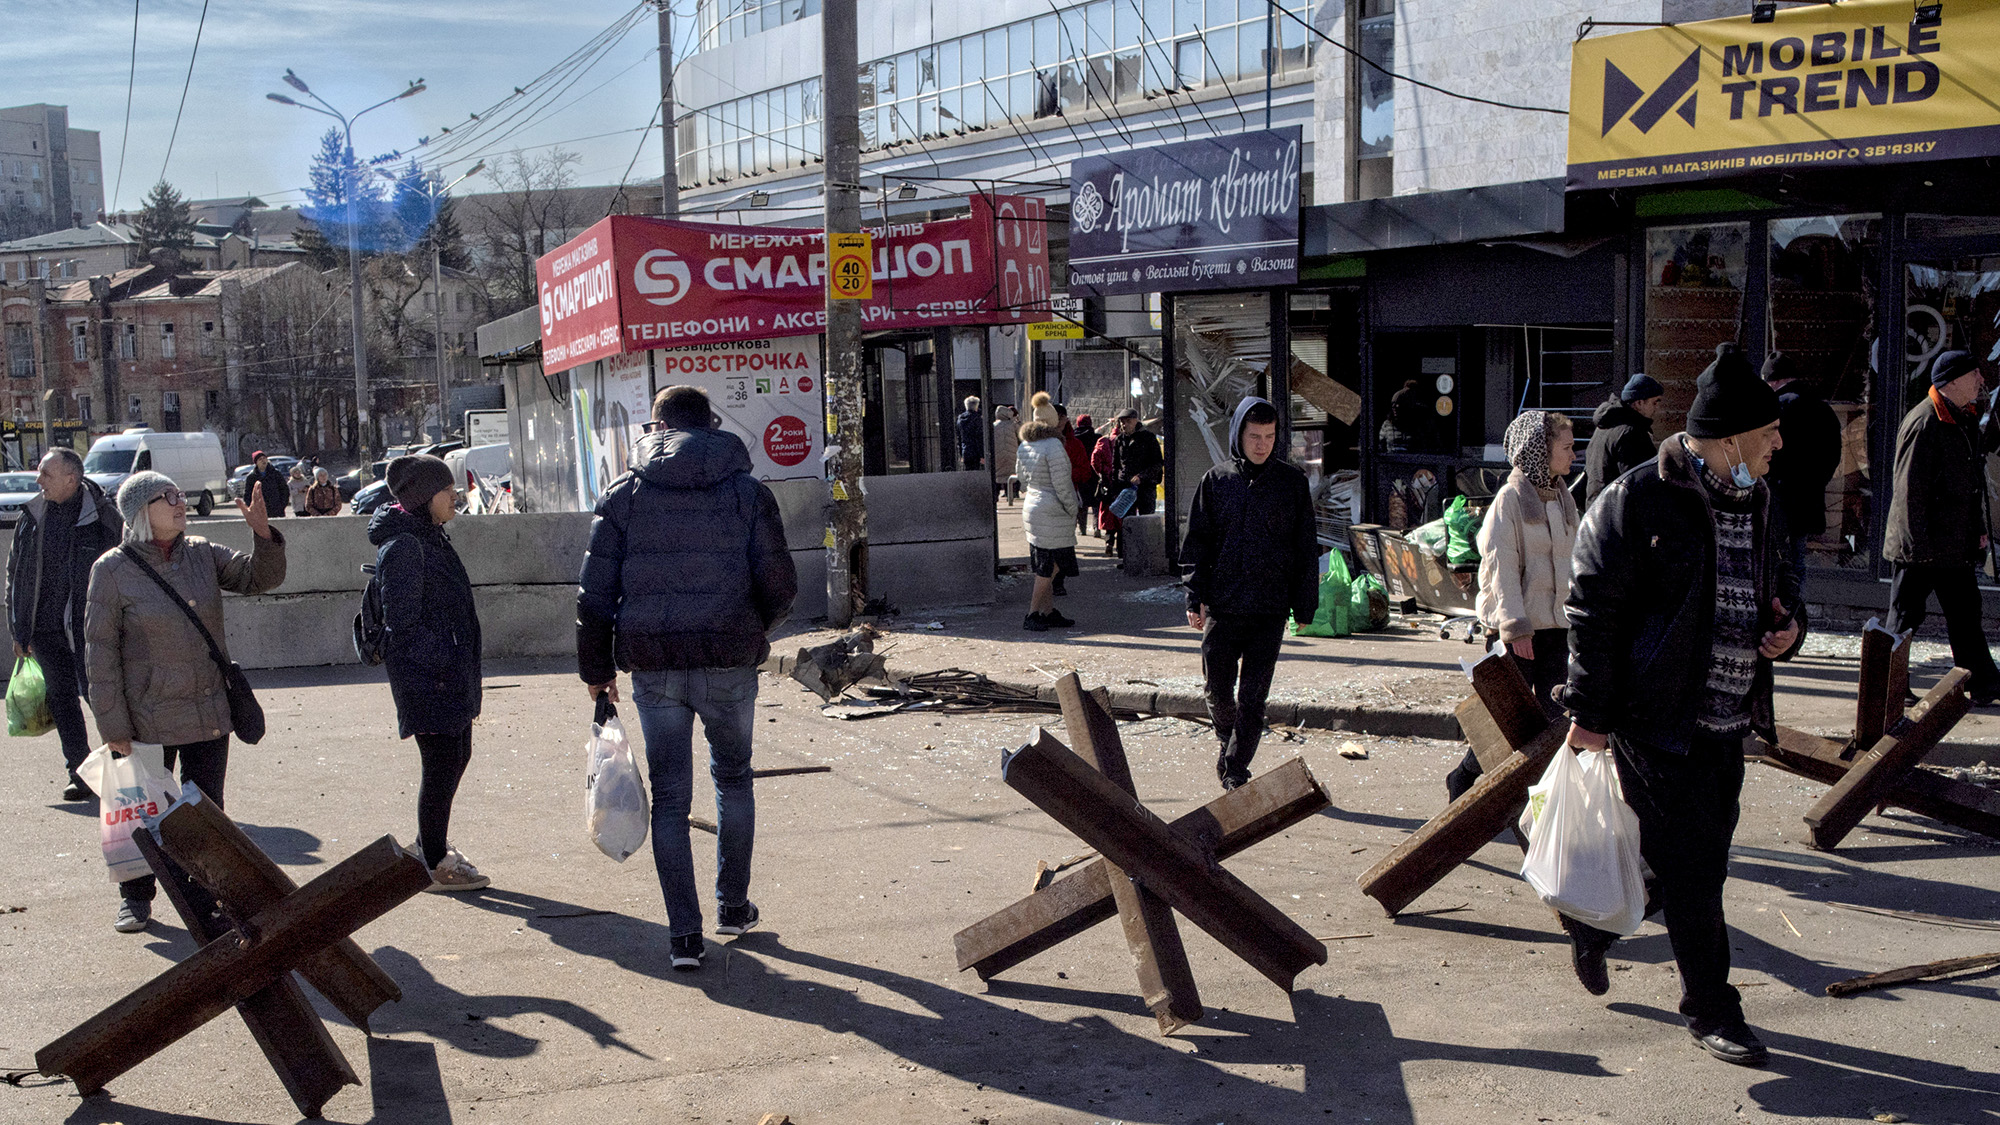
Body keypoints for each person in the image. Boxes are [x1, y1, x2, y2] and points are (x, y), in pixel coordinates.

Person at [1560, 342, 1804, 1067]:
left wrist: (1788, 628)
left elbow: (1782, 584)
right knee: (1698, 871)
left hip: (1727, 723)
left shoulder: (1760, 500)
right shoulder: (1639, 497)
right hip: (1654, 722)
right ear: (1729, 439)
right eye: (1768, 435)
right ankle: (1711, 1008)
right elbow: (1592, 610)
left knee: (1683, 862)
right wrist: (1591, 715)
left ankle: (1594, 925)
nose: (1779, 445)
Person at [578, 385, 798, 971]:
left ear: (654, 427)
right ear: (712, 425)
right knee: (734, 779)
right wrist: (753, 630)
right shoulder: (749, 493)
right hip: (729, 659)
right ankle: (733, 907)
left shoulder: (624, 494)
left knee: (671, 799)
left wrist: (597, 671)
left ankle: (684, 938)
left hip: (655, 666)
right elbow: (781, 585)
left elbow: (594, 596)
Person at [86, 472, 286, 933]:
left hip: (209, 713)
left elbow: (259, 577)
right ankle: (135, 898)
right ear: (141, 511)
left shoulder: (202, 551)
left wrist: (263, 536)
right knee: (141, 816)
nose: (181, 502)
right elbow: (100, 655)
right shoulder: (111, 569)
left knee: (205, 816)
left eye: (180, 494)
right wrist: (112, 726)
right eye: (168, 497)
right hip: (146, 720)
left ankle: (204, 901)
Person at [1180, 398, 1319, 791]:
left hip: (1269, 609)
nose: (1262, 445)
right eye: (1254, 436)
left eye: (1270, 437)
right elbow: (1197, 546)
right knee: (1218, 691)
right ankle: (1228, 741)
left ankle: (1237, 770)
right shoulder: (1216, 481)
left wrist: (1305, 604)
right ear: (1239, 434)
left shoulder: (1292, 484)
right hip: (1223, 607)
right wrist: (1195, 597)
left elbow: (1306, 550)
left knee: (1253, 697)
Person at [370, 454, 488, 892]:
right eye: (446, 490)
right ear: (423, 498)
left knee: (457, 756)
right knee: (440, 765)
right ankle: (432, 864)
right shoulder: (405, 547)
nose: (454, 496)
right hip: (430, 679)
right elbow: (403, 628)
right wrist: (445, 660)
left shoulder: (431, 537)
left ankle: (428, 845)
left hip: (449, 675)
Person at [1445, 411, 1578, 800]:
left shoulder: (1563, 498)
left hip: (1557, 628)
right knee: (1503, 723)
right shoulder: (1511, 500)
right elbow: (1501, 567)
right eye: (1567, 447)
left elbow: (1573, 563)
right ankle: (1464, 779)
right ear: (1540, 450)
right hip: (1518, 631)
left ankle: (1537, 802)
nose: (1574, 454)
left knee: (1554, 721)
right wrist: (1515, 626)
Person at [1884, 349, 2000, 706]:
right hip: (1921, 545)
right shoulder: (1925, 421)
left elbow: (1969, 484)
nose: (1981, 380)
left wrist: (1977, 528)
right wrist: (1916, 547)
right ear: (1951, 381)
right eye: (1974, 374)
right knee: (1904, 618)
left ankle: (1982, 682)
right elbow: (1908, 490)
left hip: (1953, 543)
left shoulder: (1961, 419)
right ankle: (1886, 685)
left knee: (1966, 613)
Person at [6, 448, 122, 801]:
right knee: (61, 699)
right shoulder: (32, 515)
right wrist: (18, 628)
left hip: (90, 628)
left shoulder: (103, 517)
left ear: (71, 479)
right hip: (43, 629)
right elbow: (15, 572)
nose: (38, 480)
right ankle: (80, 773)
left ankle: (122, 771)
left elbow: (127, 569)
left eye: (46, 474)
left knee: (99, 698)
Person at [1760, 352, 1843, 585]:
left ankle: (1780, 612)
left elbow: (1766, 453)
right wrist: (1816, 483)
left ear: (1773, 380)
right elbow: (1833, 456)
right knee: (1797, 561)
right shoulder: (1822, 408)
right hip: (1808, 498)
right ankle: (1796, 613)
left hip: (1778, 498)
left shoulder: (1777, 407)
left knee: (1772, 561)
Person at [1016, 392, 1078, 631]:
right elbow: (1062, 483)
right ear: (1053, 421)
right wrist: (1072, 508)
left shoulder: (1026, 444)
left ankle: (1048, 611)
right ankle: (1032, 613)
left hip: (1032, 505)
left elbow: (1021, 479)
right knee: (1050, 565)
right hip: (1052, 509)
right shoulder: (1054, 445)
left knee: (1047, 561)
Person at [1584, 374, 1664, 504]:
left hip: (1597, 509)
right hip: (1618, 513)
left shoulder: (1604, 427)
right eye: (1654, 402)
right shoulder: (1631, 432)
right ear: (1639, 403)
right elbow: (1639, 481)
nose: (1657, 408)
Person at [1058, 407, 1094, 592]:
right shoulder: (1037, 443)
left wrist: (1064, 475)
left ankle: (1058, 580)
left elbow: (1085, 471)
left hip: (1067, 496)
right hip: (1045, 503)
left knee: (1063, 540)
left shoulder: (1073, 443)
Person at [1110, 408, 1163, 517]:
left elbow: (1157, 463)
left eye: (1128, 421)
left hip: (1145, 487)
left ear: (1136, 421)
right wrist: (1116, 485)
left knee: (1146, 519)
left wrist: (1141, 477)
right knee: (1128, 522)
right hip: (1126, 487)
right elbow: (1115, 464)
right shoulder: (1120, 440)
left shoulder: (1148, 438)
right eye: (1122, 422)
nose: (1124, 425)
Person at [1090, 424, 1122, 556]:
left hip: (1108, 482)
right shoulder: (1124, 440)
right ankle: (1121, 547)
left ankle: (1109, 542)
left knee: (1108, 511)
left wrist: (1101, 473)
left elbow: (1094, 459)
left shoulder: (1104, 440)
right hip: (1122, 481)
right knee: (1122, 511)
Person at [1071, 413, 1099, 538]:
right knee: (1096, 502)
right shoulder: (1097, 437)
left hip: (1081, 473)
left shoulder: (1074, 438)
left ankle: (1082, 528)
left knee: (1081, 503)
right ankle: (1097, 527)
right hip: (1095, 473)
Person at [991, 405, 1020, 504]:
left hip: (998, 454)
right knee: (1012, 473)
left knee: (998, 475)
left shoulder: (994, 426)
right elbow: (1020, 436)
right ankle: (1012, 495)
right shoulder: (1013, 425)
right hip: (1012, 452)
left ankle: (995, 496)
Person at [252, 451, 290, 518]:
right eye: (260, 459)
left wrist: (282, 505)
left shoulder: (276, 474)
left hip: (277, 510)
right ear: (256, 463)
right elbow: (248, 495)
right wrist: (254, 508)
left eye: (264, 458)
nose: (263, 460)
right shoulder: (252, 477)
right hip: (260, 512)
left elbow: (284, 490)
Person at [956, 395, 984, 472]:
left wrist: (961, 454)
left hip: (966, 451)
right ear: (976, 406)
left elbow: (959, 437)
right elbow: (979, 437)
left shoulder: (960, 419)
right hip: (976, 452)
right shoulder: (977, 419)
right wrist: (982, 455)